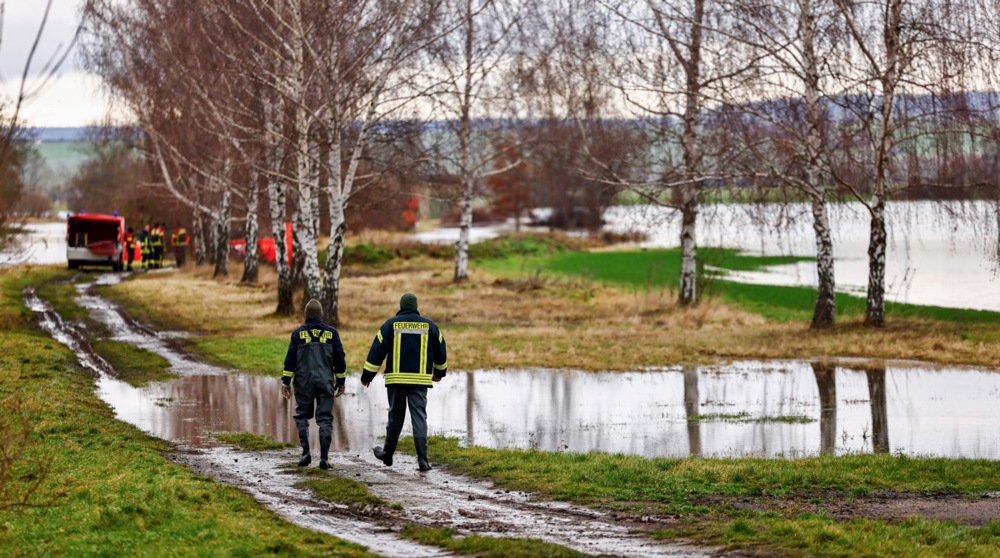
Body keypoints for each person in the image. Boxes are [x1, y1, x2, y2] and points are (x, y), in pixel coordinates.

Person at [360, 292, 447, 472]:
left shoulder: (390, 324)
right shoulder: (431, 326)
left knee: (395, 417)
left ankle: (387, 454)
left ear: (401, 306)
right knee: (419, 417)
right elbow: (441, 351)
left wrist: (367, 376)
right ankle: (423, 460)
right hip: (420, 381)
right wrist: (439, 373)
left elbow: (377, 350)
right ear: (416, 307)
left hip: (396, 380)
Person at [281, 299, 346, 470]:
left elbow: (290, 360)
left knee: (302, 415)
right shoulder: (332, 334)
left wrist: (285, 382)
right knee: (324, 418)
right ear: (321, 315)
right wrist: (341, 382)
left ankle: (306, 454)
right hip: (325, 381)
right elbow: (340, 358)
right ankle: (324, 458)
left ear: (306, 316)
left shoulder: (298, 334)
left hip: (303, 382)